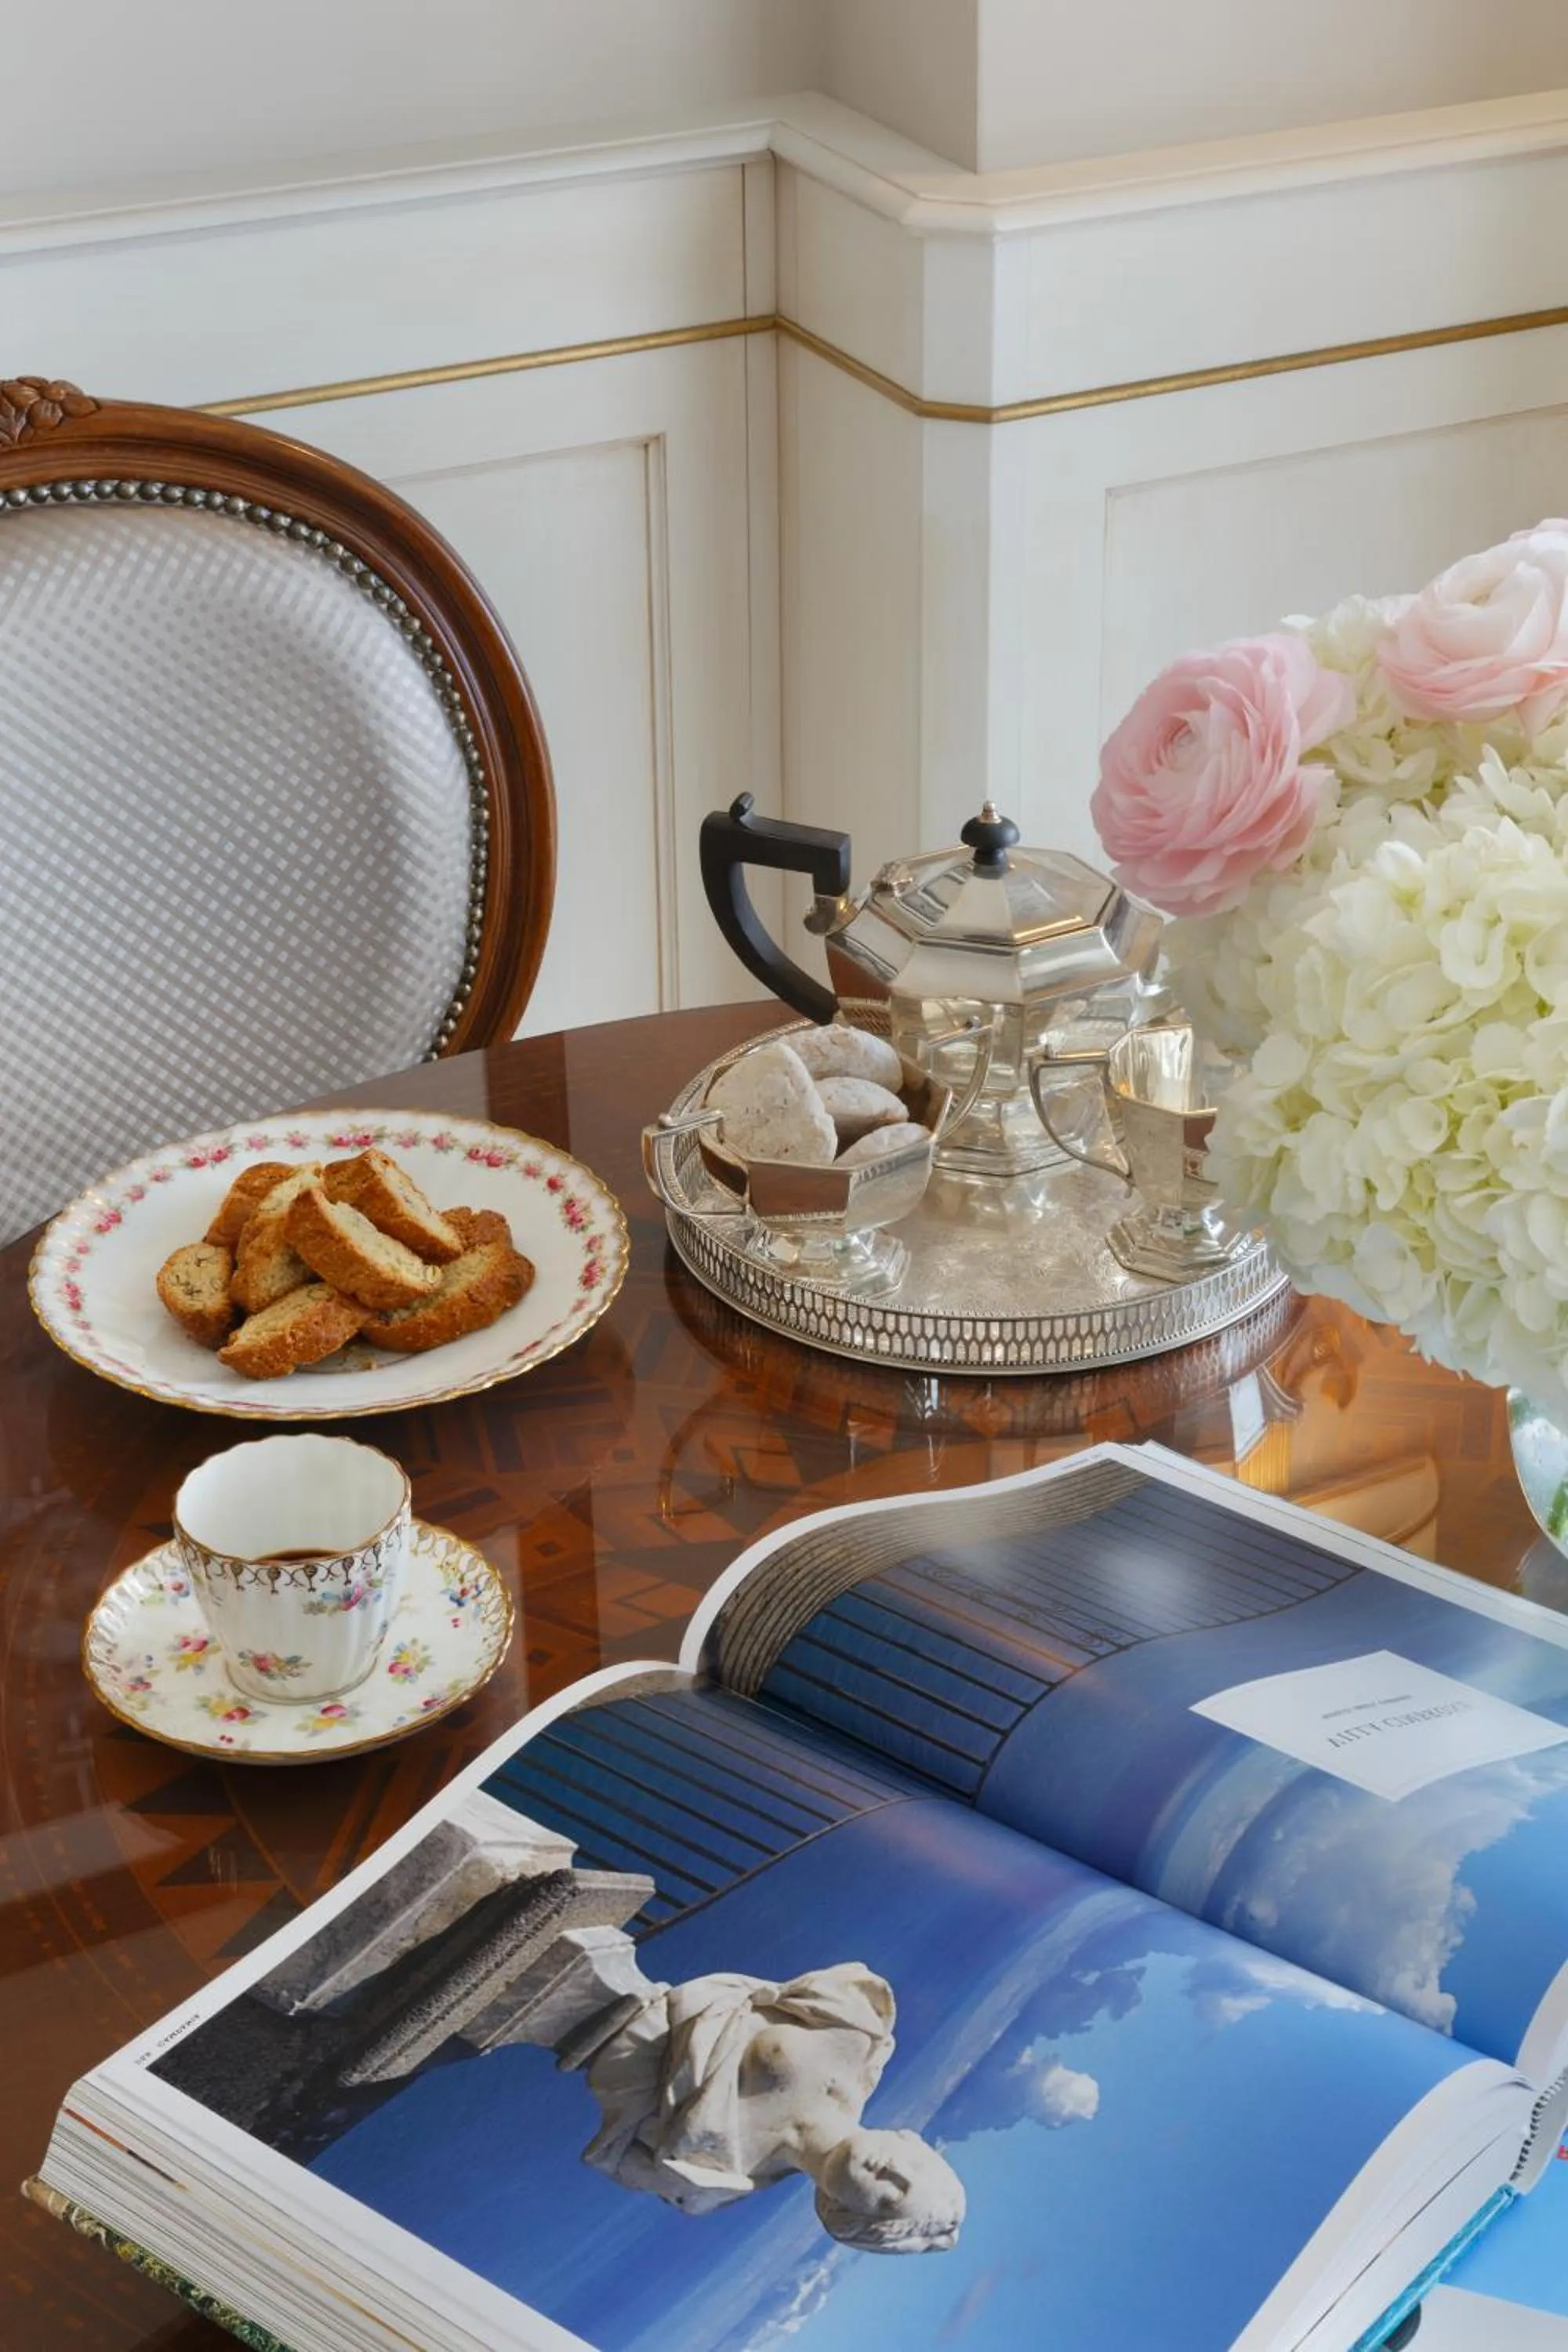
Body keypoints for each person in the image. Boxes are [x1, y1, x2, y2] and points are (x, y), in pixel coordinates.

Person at [568, 1958, 964, 2253]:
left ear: (846, 2215)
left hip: (577, 2036)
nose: (892, 2174)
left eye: (888, 2200)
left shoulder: (711, 2184)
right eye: (915, 2169)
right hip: (614, 1972)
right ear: (912, 2142)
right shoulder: (862, 2035)